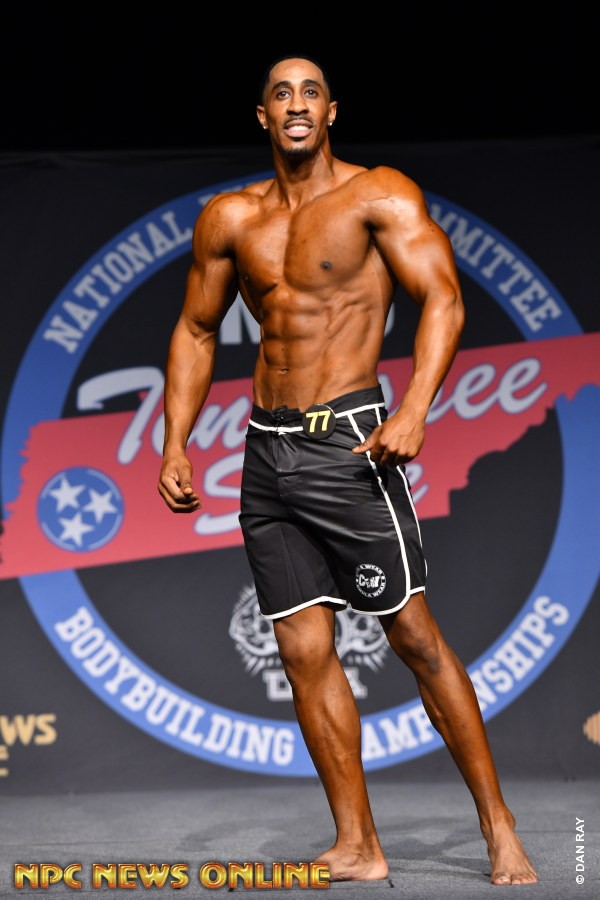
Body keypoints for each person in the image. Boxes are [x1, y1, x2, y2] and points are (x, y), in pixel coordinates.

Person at [158, 54, 537, 886]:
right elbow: (195, 329)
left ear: (332, 112)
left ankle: (497, 823)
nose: (296, 104)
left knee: (414, 638)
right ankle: (358, 842)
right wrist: (174, 440)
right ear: (263, 116)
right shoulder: (230, 218)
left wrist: (415, 407)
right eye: (281, 93)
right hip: (267, 451)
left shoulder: (379, 195)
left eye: (311, 92)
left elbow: (443, 298)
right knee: (302, 650)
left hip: (352, 443)